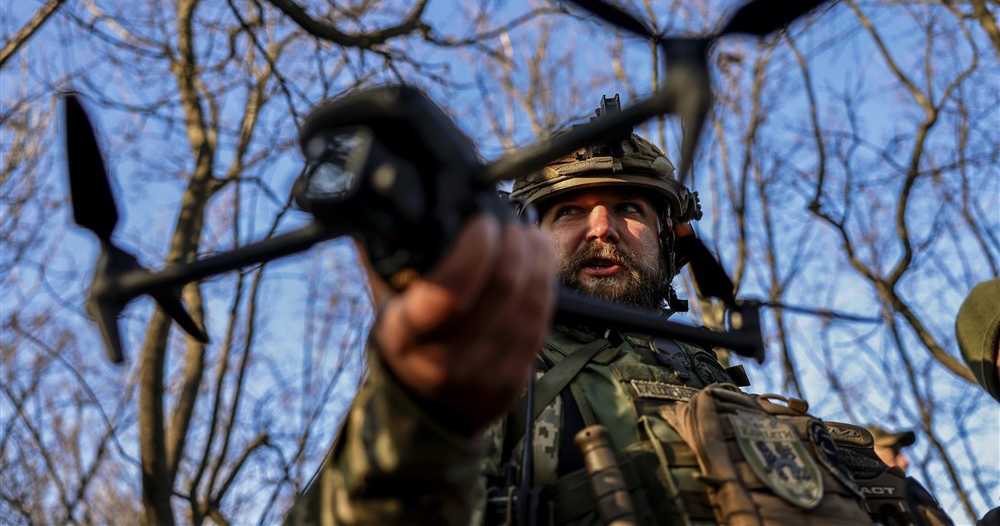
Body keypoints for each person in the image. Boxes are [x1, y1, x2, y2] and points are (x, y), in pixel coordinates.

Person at [287, 97, 950, 526]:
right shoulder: (488, 371)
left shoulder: (729, 389)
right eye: (570, 211)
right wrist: (420, 408)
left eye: (630, 208)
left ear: (669, 242)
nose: (601, 228)